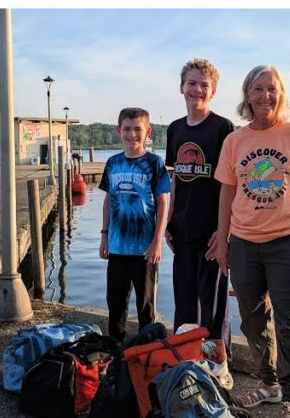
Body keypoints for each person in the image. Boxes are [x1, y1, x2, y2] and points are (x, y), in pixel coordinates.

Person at [208, 65, 290, 418]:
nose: (265, 96)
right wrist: (222, 240)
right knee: (253, 320)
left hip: (288, 240)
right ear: (247, 95)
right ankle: (269, 382)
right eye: (258, 89)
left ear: (281, 94)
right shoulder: (234, 141)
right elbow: (227, 193)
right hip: (243, 242)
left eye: (271, 89)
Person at [165, 58, 236, 347]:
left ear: (213, 91)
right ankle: (185, 358)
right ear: (182, 87)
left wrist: (225, 231)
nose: (197, 89)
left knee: (213, 306)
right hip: (182, 230)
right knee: (183, 300)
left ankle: (217, 364)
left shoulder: (223, 128)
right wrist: (169, 221)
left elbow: (232, 184)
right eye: (191, 83)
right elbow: (174, 180)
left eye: (204, 85)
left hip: (212, 232)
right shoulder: (174, 129)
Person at [98, 107, 172, 341]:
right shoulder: (112, 163)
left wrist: (157, 242)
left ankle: (145, 354)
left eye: (137, 129)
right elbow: (108, 200)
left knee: (146, 308)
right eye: (127, 129)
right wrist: (104, 236)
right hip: (117, 248)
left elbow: (163, 204)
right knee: (116, 304)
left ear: (147, 132)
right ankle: (114, 351)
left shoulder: (154, 163)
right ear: (118, 131)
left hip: (145, 251)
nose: (132, 135)